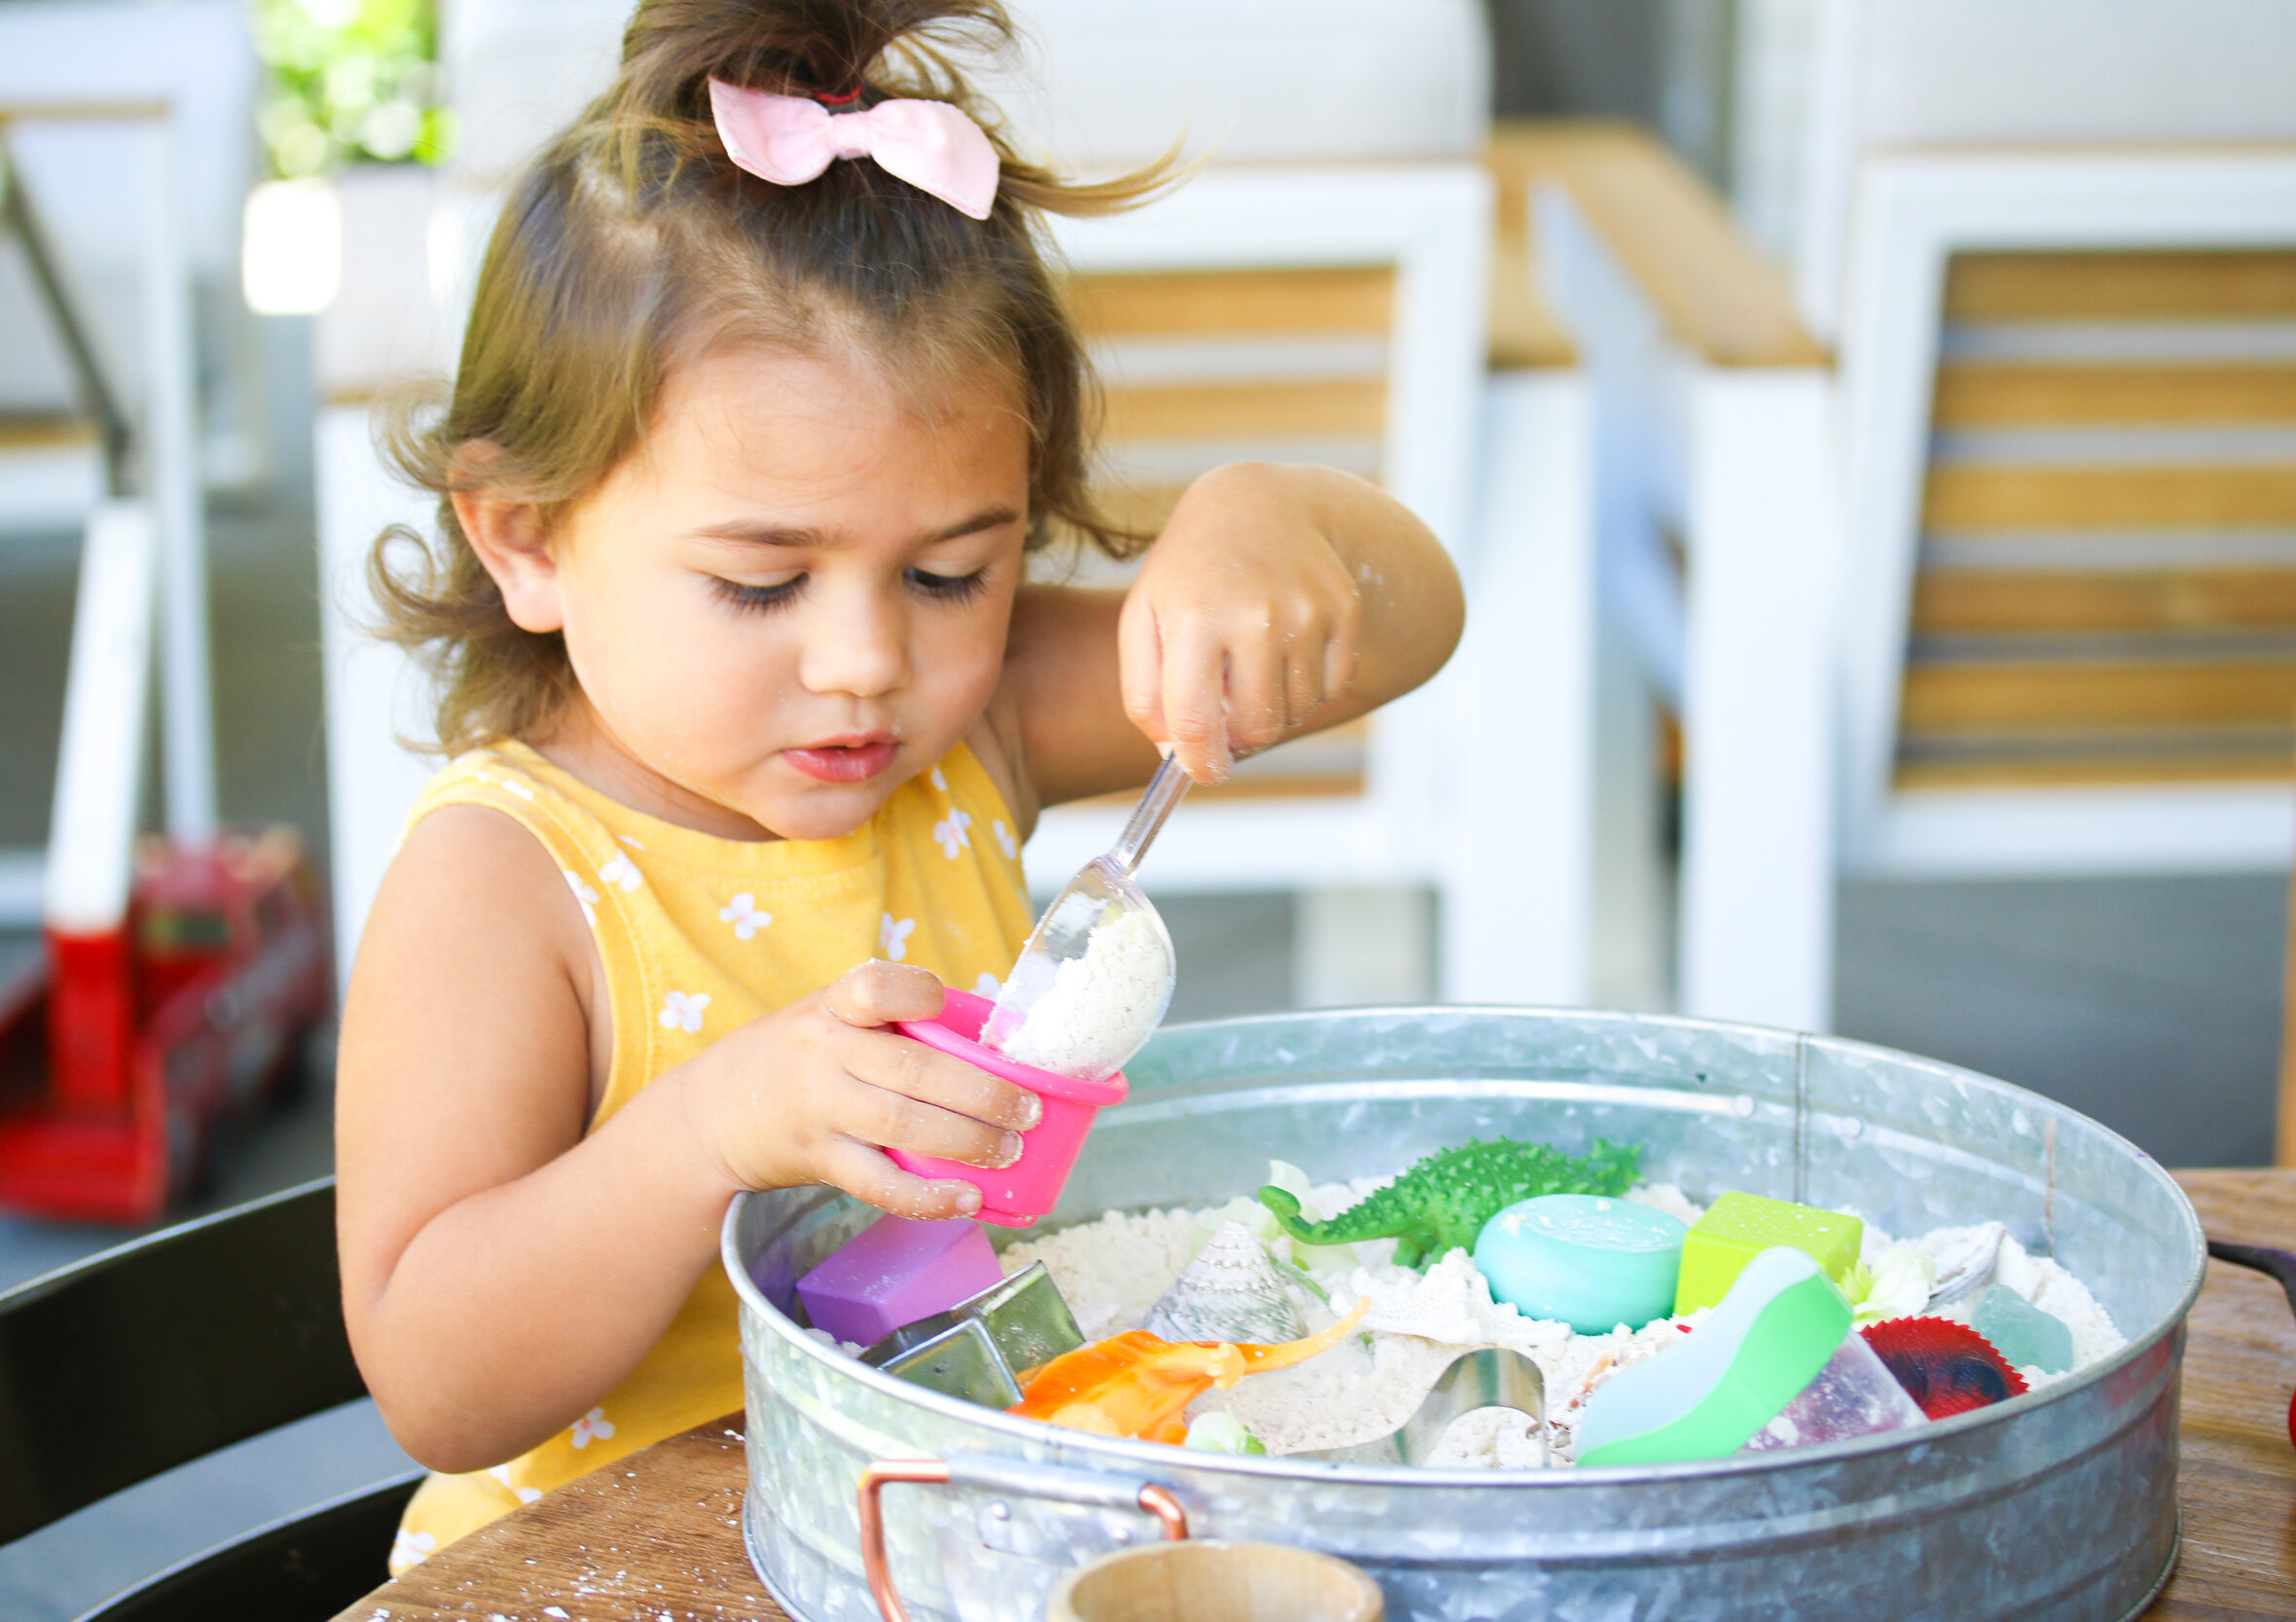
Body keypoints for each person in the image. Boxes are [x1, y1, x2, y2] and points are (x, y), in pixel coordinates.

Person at [336, 0, 1464, 1568]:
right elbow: (435, 1384)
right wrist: (713, 1131)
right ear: (526, 537)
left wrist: (1264, 516)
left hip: (936, 1543)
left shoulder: (971, 734)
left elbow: (1408, 625)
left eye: (947, 573)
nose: (866, 661)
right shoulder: (507, 880)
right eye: (758, 584)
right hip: (609, 1577)